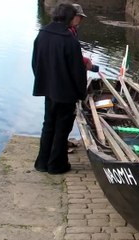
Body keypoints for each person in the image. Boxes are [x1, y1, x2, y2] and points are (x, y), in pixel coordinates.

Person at [32, 3, 87, 174]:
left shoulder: (42, 34)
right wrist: (81, 93)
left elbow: (35, 63)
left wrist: (43, 81)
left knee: (48, 124)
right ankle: (57, 165)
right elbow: (78, 72)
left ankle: (42, 163)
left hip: (48, 89)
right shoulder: (69, 40)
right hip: (66, 92)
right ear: (69, 18)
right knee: (62, 128)